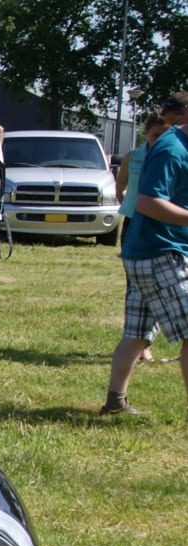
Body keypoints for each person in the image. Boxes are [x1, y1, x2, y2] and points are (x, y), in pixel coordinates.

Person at [100, 93, 188, 415]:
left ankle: (115, 403)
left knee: (137, 335)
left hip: (148, 253)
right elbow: (148, 202)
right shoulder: (171, 149)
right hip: (158, 254)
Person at [116, 111, 168, 363]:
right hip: (133, 224)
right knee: (134, 286)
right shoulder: (132, 157)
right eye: (156, 134)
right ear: (146, 132)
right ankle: (138, 341)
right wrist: (128, 204)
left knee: (160, 288)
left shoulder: (170, 156)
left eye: (164, 135)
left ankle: (147, 344)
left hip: (160, 226)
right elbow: (121, 187)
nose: (159, 140)